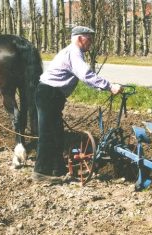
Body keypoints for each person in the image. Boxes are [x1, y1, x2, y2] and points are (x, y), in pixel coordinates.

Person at [32, 26, 123, 184]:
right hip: (49, 94)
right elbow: (86, 75)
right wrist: (110, 86)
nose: (91, 43)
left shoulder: (73, 51)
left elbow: (85, 77)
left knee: (57, 133)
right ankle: (41, 172)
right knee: (47, 134)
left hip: (52, 94)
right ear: (80, 38)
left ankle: (57, 169)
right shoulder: (74, 52)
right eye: (89, 39)